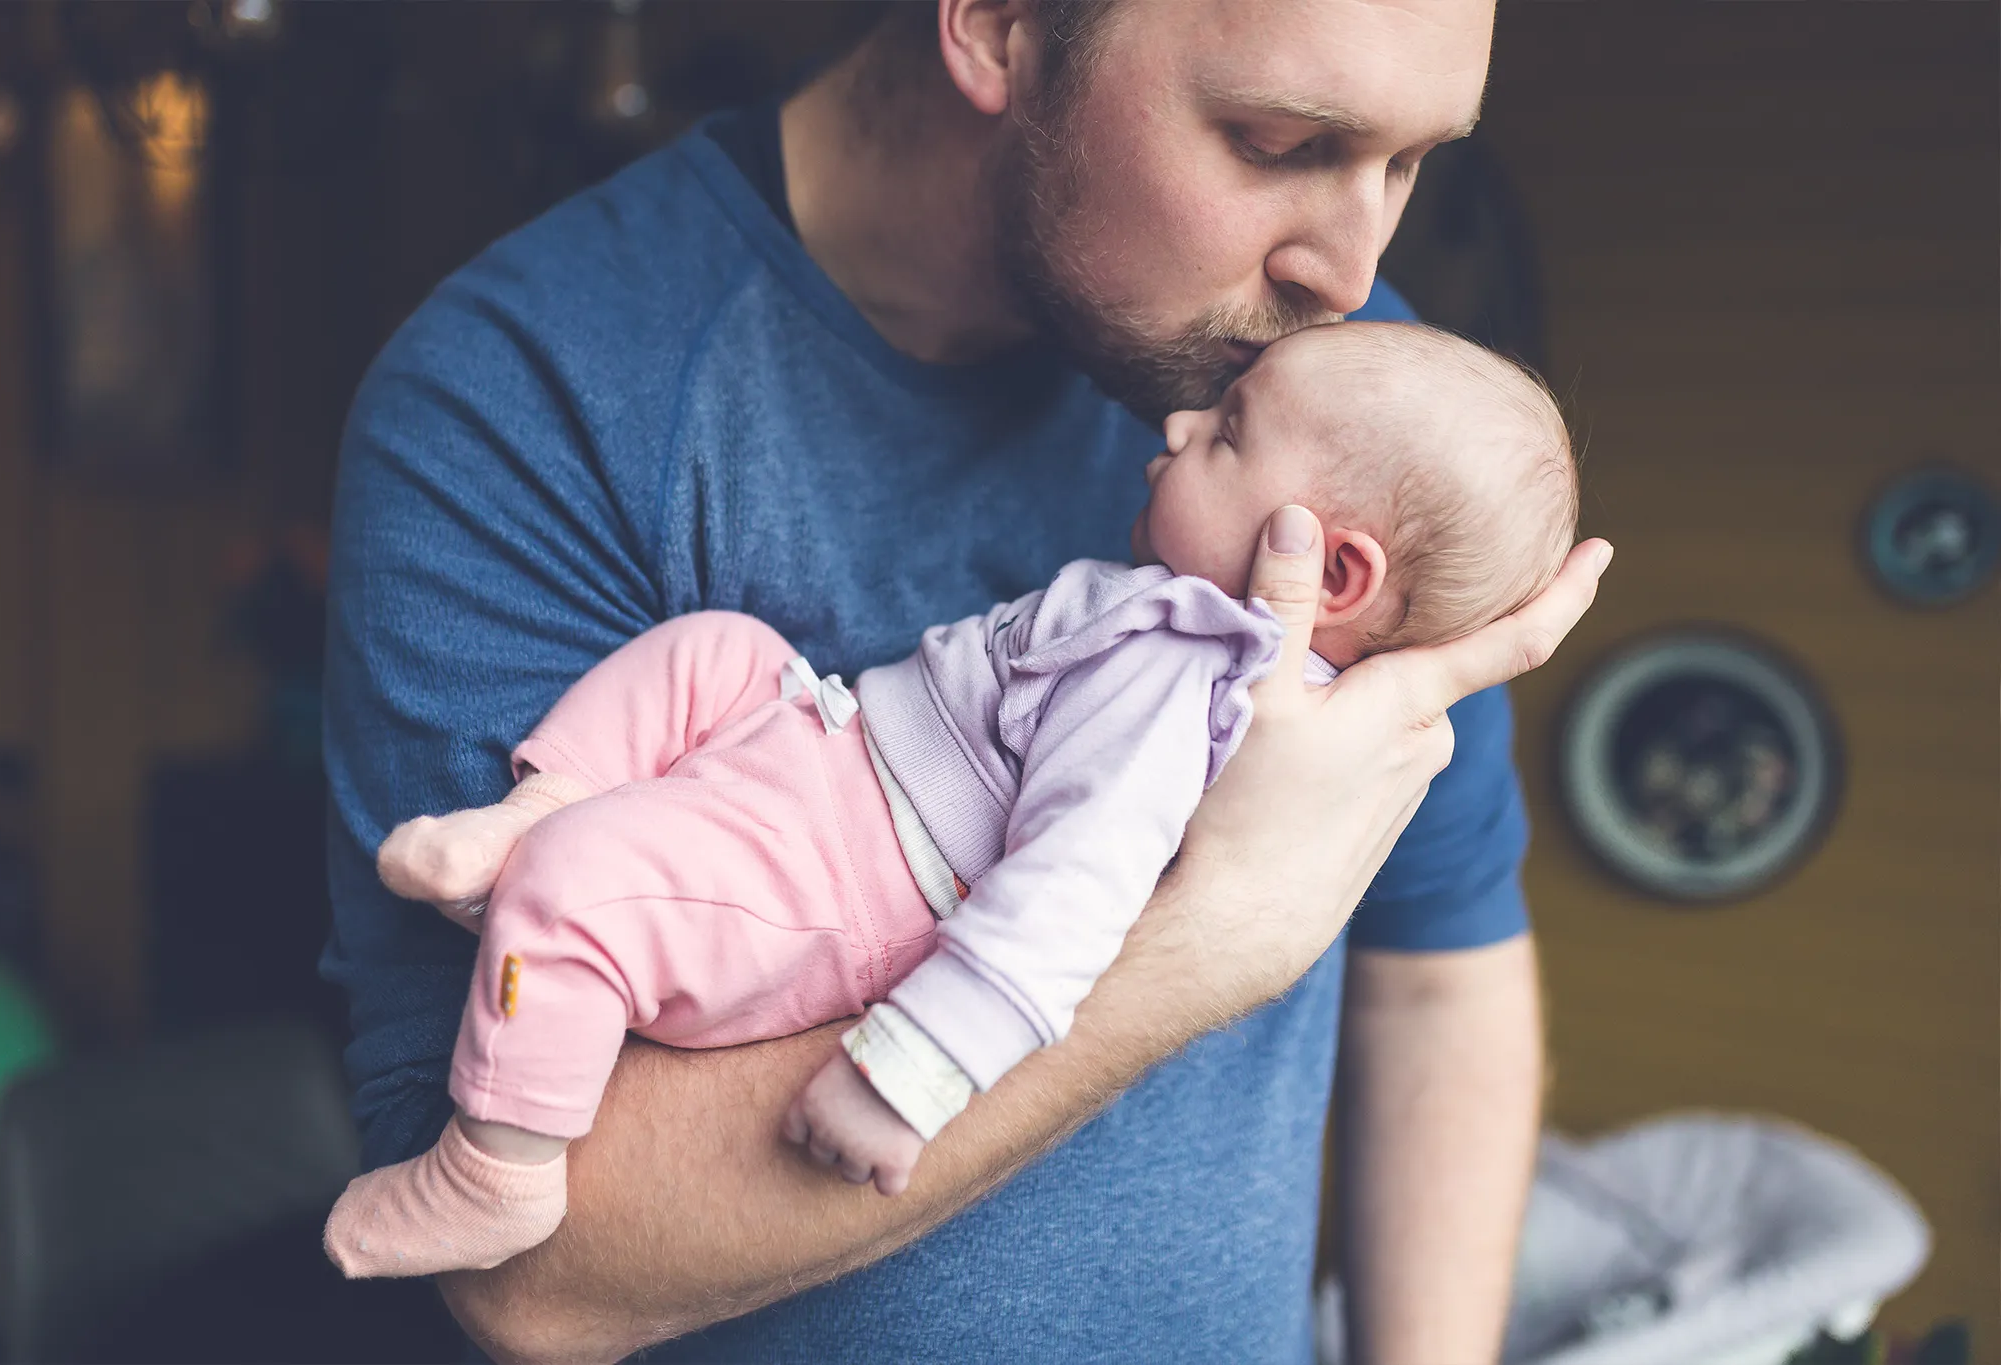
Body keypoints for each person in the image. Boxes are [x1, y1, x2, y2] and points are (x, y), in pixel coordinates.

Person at [319, 1, 1613, 1360]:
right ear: (997, 27)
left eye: (1411, 166)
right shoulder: (533, 397)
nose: (1350, 268)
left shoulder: (1340, 407)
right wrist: (1210, 934)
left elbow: (1437, 976)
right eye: (1279, 142)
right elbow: (539, 1276)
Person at [322, 320, 1580, 1278]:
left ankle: (499, 1168)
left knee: (577, 893)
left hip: (857, 875)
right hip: (842, 754)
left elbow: (1066, 893)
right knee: (712, 649)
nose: (1186, 423)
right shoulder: (1182, 617)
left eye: (1232, 434)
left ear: (1333, 568)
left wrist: (905, 1074)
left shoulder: (1180, 680)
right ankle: (531, 810)